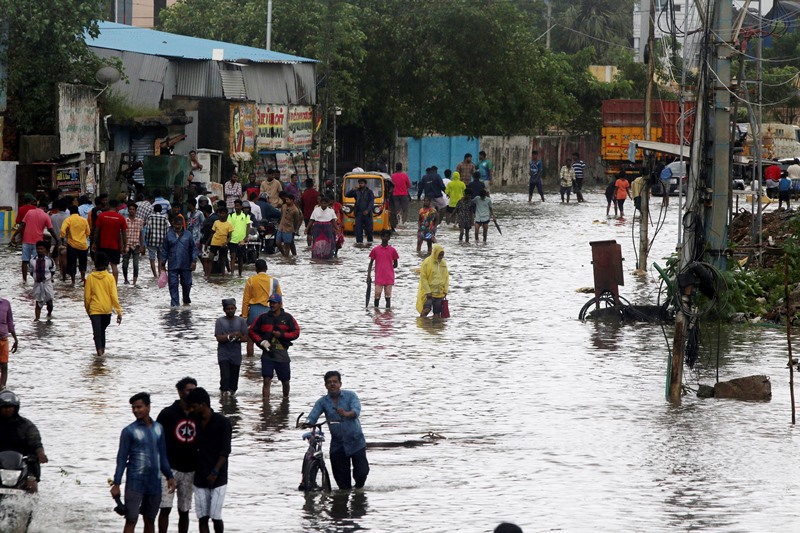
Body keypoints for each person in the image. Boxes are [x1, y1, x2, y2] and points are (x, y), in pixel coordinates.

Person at [111, 392, 175, 533]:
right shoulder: (128, 431)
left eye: (139, 407)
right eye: (133, 408)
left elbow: (162, 455)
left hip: (154, 482)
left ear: (148, 407)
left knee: (150, 520)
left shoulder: (159, 428)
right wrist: (117, 483)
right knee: (131, 518)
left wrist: (170, 476)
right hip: (135, 482)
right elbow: (121, 459)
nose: (135, 410)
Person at [303, 371, 369, 490]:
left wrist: (346, 413)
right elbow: (313, 415)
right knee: (342, 482)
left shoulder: (351, 396)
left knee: (362, 473)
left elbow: (356, 411)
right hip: (338, 445)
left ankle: (358, 495)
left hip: (356, 441)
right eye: (329, 382)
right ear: (325, 385)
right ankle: (343, 501)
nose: (332, 384)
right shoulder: (323, 401)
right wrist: (307, 423)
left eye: (335, 382)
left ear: (340, 384)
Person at [185, 387, 232, 533]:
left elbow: (225, 452)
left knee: (216, 516)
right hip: (199, 474)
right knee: (202, 517)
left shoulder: (223, 422)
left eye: (193, 406)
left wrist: (215, 472)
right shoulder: (193, 422)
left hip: (218, 476)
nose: (192, 410)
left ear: (203, 404)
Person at [156, 378, 198, 533]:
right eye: (189, 390)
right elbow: (158, 442)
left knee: (184, 511)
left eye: (195, 390)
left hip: (190, 469)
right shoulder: (167, 413)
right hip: (169, 469)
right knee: (165, 508)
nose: (192, 394)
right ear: (180, 392)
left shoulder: (198, 414)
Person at [248, 293, 300, 399]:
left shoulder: (288, 318)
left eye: (274, 303)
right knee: (266, 380)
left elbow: (296, 332)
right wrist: (261, 342)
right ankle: (265, 405)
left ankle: (285, 401)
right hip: (267, 353)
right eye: (270, 303)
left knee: (285, 381)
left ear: (280, 304)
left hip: (282, 354)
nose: (272, 305)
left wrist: (282, 335)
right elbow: (252, 331)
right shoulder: (263, 318)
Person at [0, 390, 48, 493]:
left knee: (32, 484)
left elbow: (36, 442)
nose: (7, 410)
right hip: (0, 463)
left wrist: (41, 454)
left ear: (15, 408)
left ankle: (31, 506)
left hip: (24, 464)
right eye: (4, 407)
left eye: (10, 407)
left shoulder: (26, 425)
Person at [241, 258, 282, 357]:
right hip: (269, 311)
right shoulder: (274, 281)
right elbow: (279, 300)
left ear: (256, 269)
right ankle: (268, 359)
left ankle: (250, 364)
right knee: (269, 338)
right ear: (266, 268)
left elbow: (246, 300)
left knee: (251, 339)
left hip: (254, 311)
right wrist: (280, 315)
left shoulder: (251, 280)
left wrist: (244, 316)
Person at [85, 252, 123, 356]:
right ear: (107, 265)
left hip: (94, 310)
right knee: (101, 332)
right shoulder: (110, 278)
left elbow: (87, 298)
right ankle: (101, 355)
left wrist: (88, 310)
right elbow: (114, 296)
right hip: (107, 311)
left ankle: (100, 356)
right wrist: (119, 312)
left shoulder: (90, 278)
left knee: (98, 333)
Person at [12, 201, 58, 284]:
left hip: (26, 241)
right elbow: (50, 230)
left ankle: (24, 280)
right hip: (38, 243)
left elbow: (22, 225)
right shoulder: (46, 216)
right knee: (38, 261)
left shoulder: (29, 212)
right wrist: (57, 239)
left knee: (25, 261)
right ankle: (37, 280)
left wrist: (14, 235)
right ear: (45, 208)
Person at [160, 217, 199, 307]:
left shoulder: (188, 235)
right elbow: (165, 250)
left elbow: (193, 248)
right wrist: (163, 263)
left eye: (179, 225)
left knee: (186, 284)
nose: (177, 227)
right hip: (172, 264)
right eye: (176, 225)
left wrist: (194, 261)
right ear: (173, 224)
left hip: (185, 264)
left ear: (182, 225)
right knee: (173, 284)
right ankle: (175, 305)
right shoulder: (169, 235)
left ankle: (186, 300)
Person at [215, 299, 248, 395]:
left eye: (232, 308)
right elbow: (219, 338)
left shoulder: (241, 321)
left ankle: (232, 400)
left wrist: (237, 338)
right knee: (225, 377)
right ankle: (224, 397)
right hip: (223, 354)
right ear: (224, 310)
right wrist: (231, 336)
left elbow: (246, 337)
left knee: (234, 380)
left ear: (235, 309)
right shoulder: (220, 321)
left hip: (236, 354)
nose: (230, 310)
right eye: (228, 309)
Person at [93, 199, 128, 283]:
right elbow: (124, 234)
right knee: (114, 266)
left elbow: (96, 231)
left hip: (102, 245)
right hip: (114, 246)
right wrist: (124, 246)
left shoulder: (102, 216)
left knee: (103, 266)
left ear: (108, 205)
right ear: (117, 207)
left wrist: (94, 243)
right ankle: (114, 286)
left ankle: (104, 284)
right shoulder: (121, 218)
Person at [416, 243, 449, 318]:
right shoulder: (427, 262)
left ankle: (435, 328)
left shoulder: (443, 264)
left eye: (442, 255)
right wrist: (428, 291)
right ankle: (423, 326)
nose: (441, 257)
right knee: (426, 310)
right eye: (440, 254)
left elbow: (446, 278)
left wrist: (445, 290)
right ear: (435, 253)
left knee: (437, 314)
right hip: (429, 294)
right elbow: (423, 278)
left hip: (439, 293)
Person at [367, 230, 399, 308]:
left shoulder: (393, 250)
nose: (385, 238)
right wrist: (369, 275)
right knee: (377, 295)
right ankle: (376, 311)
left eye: (387, 236)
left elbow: (396, 264)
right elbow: (371, 263)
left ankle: (387, 313)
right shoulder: (375, 250)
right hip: (379, 277)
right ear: (381, 237)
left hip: (389, 277)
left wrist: (388, 267)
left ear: (389, 238)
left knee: (388, 297)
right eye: (384, 236)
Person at [61, 204, 91, 286]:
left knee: (72, 263)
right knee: (83, 263)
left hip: (72, 245)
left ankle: (73, 282)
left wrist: (62, 239)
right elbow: (88, 232)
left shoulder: (68, 220)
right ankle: (82, 279)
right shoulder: (84, 220)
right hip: (83, 245)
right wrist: (83, 237)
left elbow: (62, 231)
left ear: (70, 212)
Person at [345, 178, 376, 245]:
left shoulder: (369, 192)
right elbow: (347, 195)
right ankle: (359, 243)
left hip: (367, 214)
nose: (360, 184)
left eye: (362, 183)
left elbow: (371, 202)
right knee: (358, 230)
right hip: (358, 213)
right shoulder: (356, 191)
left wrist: (368, 210)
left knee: (369, 230)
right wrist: (352, 189)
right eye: (359, 183)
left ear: (365, 184)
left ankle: (370, 243)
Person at [30, 241, 56, 321]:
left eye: (41, 249)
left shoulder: (49, 261)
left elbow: (53, 270)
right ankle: (37, 319)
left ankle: (49, 314)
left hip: (47, 284)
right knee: (38, 302)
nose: (40, 250)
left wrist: (48, 278)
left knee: (49, 302)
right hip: (37, 284)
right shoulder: (32, 260)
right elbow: (31, 271)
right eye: (38, 249)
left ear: (45, 250)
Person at [205, 207, 233, 277]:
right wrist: (207, 243)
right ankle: (208, 275)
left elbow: (230, 237)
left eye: (223, 213)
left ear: (226, 214)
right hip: (214, 242)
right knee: (210, 258)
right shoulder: (216, 222)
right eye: (220, 213)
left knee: (222, 261)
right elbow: (212, 233)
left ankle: (223, 276)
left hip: (223, 244)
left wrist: (226, 243)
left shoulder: (229, 224)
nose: (221, 215)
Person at [122, 203, 146, 285]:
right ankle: (126, 279)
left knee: (136, 264)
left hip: (136, 245)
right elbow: (123, 234)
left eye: (133, 209)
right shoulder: (125, 221)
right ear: (128, 210)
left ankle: (134, 282)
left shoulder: (139, 221)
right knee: (125, 264)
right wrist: (122, 245)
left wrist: (142, 246)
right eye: (130, 209)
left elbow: (140, 234)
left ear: (135, 211)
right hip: (127, 244)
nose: (132, 211)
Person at [146, 204, 170, 279]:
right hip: (162, 241)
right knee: (160, 258)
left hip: (151, 241)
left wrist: (146, 239)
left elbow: (147, 229)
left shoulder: (150, 217)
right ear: (161, 210)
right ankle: (160, 273)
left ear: (154, 210)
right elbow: (168, 229)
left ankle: (155, 275)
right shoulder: (165, 218)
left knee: (152, 258)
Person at [227, 200, 250, 276]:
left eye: (238, 206)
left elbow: (248, 226)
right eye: (235, 206)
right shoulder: (230, 215)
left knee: (240, 258)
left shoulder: (246, 216)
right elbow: (229, 227)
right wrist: (229, 237)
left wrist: (246, 237)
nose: (236, 207)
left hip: (241, 241)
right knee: (233, 256)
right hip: (232, 240)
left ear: (241, 206)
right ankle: (232, 274)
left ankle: (240, 274)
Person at [276, 192, 303, 256]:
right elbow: (282, 215)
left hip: (289, 229)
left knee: (287, 245)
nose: (286, 201)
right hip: (281, 227)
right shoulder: (283, 206)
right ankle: (284, 255)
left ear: (292, 200)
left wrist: (295, 230)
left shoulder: (295, 210)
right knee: (278, 243)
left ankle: (287, 258)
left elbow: (297, 221)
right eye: (286, 200)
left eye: (287, 200)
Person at [0, 298, 18, 390]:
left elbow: (10, 322)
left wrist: (15, 339)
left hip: (3, 339)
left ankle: (2, 388)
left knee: (4, 365)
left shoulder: (6, 304)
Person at [50, 199, 70, 280]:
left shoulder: (53, 217)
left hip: (55, 240)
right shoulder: (68, 217)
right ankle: (64, 275)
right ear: (66, 208)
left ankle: (57, 272)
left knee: (57, 257)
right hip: (65, 240)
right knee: (64, 258)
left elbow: (50, 228)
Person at [300, 178, 320, 243]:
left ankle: (309, 247)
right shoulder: (317, 194)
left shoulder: (304, 194)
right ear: (312, 184)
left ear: (306, 185)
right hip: (317, 216)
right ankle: (315, 246)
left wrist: (304, 213)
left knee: (309, 233)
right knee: (317, 232)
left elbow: (301, 206)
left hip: (307, 215)